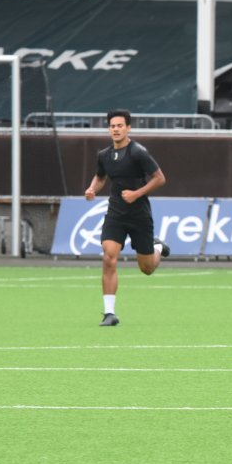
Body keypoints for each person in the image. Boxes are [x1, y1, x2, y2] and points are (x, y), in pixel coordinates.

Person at [84, 109, 170, 326]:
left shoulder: (138, 152)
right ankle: (109, 313)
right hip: (116, 214)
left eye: (120, 126)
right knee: (109, 257)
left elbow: (160, 178)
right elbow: (100, 177)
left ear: (128, 128)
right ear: (108, 129)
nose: (116, 129)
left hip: (139, 215)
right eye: (112, 126)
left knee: (147, 268)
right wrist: (92, 189)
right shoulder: (104, 155)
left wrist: (136, 194)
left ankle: (157, 247)